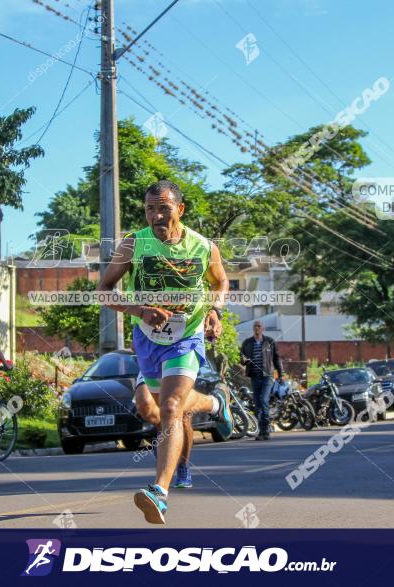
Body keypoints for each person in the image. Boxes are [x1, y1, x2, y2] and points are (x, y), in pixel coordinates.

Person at [97, 179, 232, 525]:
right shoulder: (132, 245)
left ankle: (159, 490)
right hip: (147, 338)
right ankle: (215, 403)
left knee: (172, 407)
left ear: (180, 210)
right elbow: (104, 290)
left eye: (164, 208)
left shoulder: (203, 247)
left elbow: (221, 282)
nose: (156, 215)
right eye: (150, 209)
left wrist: (215, 311)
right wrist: (139, 311)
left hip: (187, 337)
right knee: (156, 410)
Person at [239, 321, 284, 440]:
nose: (257, 328)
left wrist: (280, 374)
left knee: (264, 400)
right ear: (253, 328)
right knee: (258, 404)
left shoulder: (269, 342)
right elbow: (241, 358)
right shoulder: (247, 343)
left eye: (259, 326)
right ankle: (261, 432)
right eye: (255, 326)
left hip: (267, 376)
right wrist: (243, 360)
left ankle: (266, 430)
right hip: (254, 376)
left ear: (263, 328)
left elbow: (276, 358)